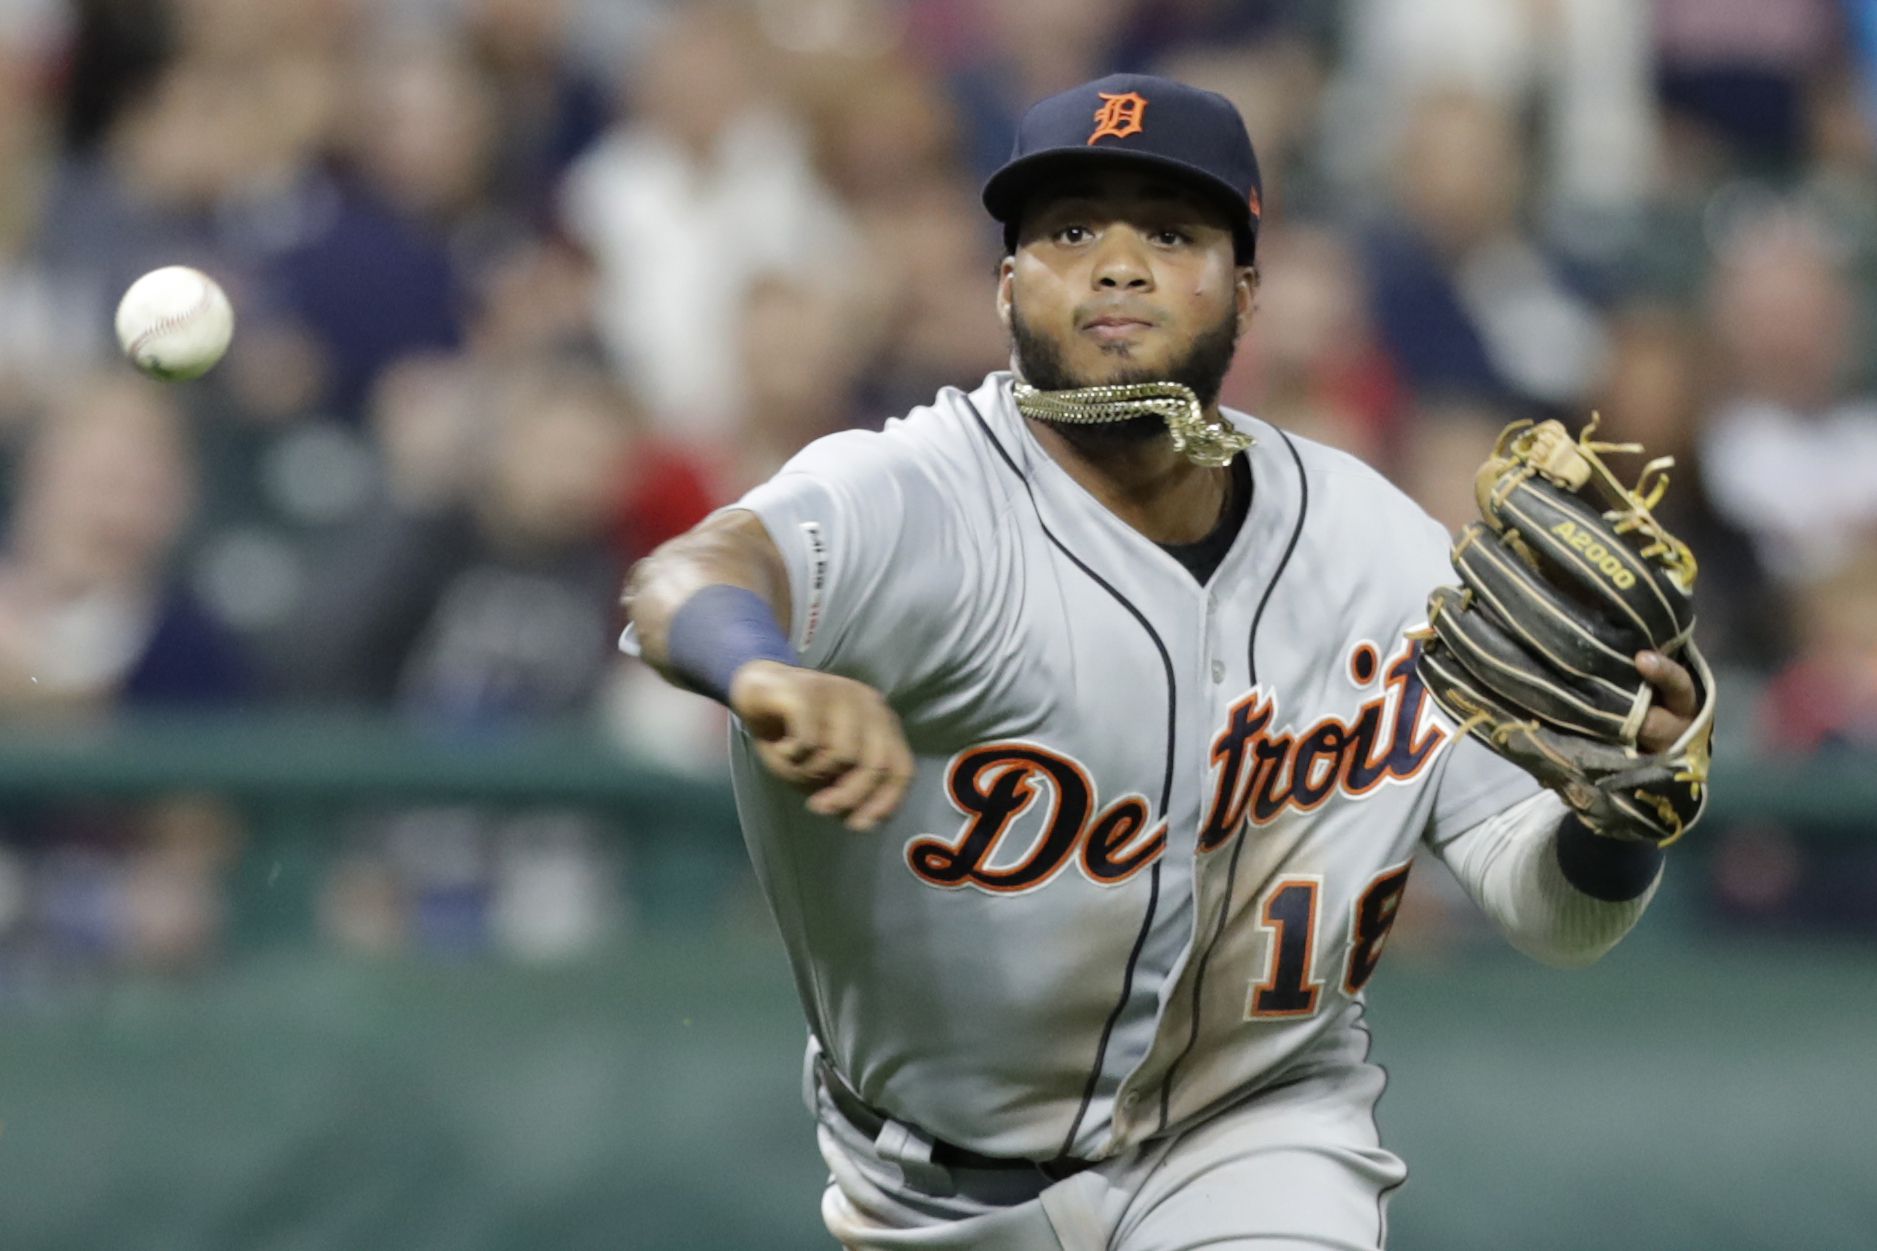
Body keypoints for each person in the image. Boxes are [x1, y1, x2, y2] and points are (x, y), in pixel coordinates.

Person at [623, 74, 1705, 1251]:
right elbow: (686, 578)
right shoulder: (919, 493)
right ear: (1005, 283)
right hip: (931, 1193)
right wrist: (764, 672)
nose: (1119, 264)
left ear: (1244, 288)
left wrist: (1617, 818)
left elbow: (1552, 916)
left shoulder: (1375, 544)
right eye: (1070, 228)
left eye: (1172, 231)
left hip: (1259, 1135)